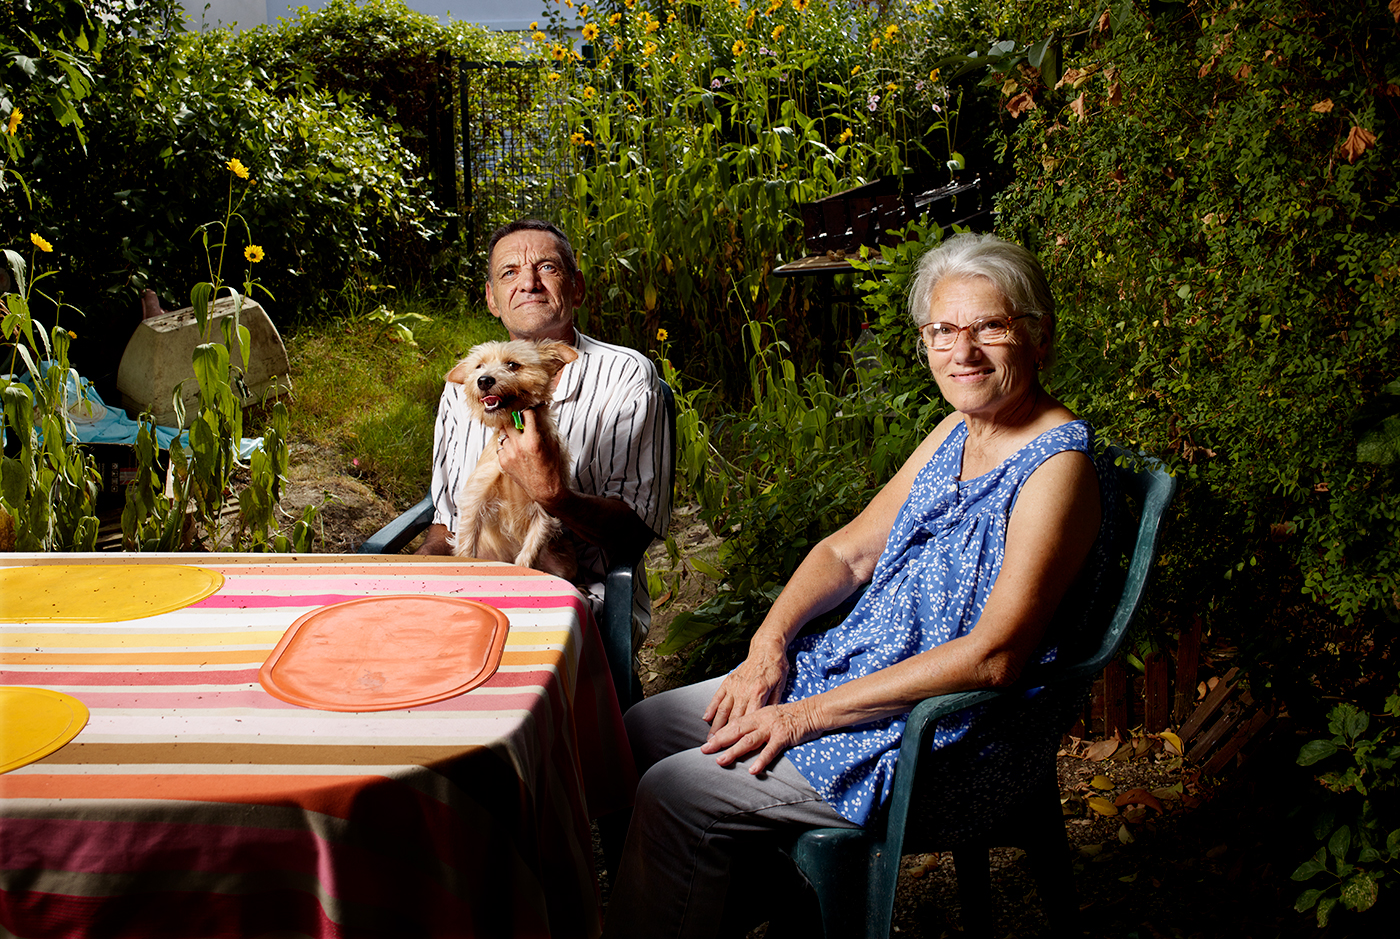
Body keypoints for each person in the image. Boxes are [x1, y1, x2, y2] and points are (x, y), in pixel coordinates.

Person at [603, 233, 1118, 939]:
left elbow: (995, 656)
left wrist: (803, 716)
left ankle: (713, 889)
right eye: (942, 330)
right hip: (859, 676)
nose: (962, 352)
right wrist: (767, 644)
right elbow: (846, 553)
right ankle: (753, 899)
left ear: (1037, 337)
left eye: (989, 327)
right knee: (641, 729)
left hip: (941, 731)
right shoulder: (956, 432)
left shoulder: (1055, 470)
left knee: (675, 789)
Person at [418, 219, 673, 644]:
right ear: (492, 300)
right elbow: (446, 519)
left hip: (576, 592)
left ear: (577, 288)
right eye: (509, 273)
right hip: (474, 581)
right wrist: (424, 573)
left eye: (548, 269)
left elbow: (636, 532)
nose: (529, 283)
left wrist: (554, 494)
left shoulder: (626, 376)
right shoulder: (468, 383)